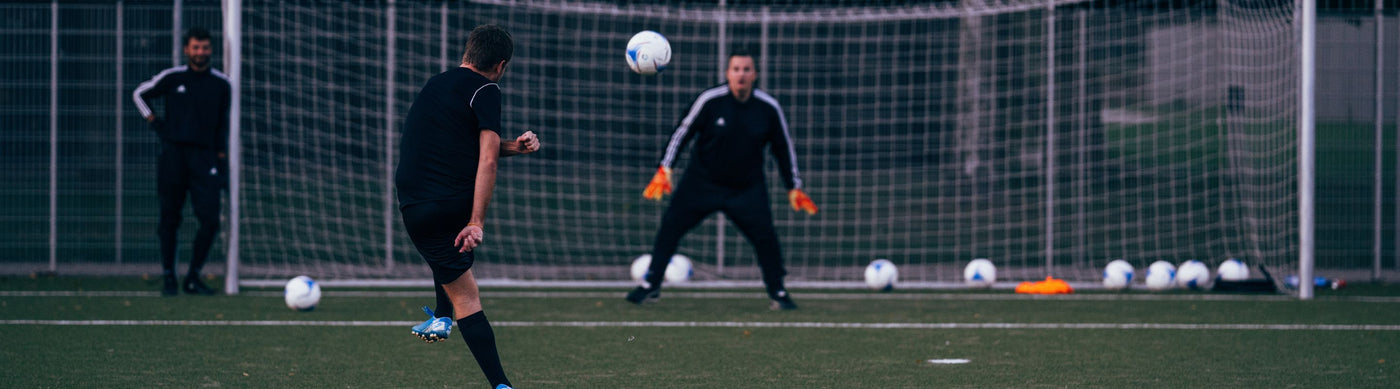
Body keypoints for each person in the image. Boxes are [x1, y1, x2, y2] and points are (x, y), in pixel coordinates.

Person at [395, 24, 538, 389]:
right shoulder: (487, 88)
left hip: (413, 204)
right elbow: (486, 160)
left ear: (467, 52)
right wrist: (476, 221)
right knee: (467, 296)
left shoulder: (436, 84)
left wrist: (515, 147)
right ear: (501, 65)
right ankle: (501, 385)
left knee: (440, 250)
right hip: (452, 201)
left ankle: (441, 317)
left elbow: (462, 141)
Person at [627, 48, 818, 310]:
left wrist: (794, 187)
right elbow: (682, 132)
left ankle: (778, 291)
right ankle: (651, 285)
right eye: (736, 69)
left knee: (766, 238)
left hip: (747, 188)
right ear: (728, 73)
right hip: (701, 183)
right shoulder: (710, 100)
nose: (741, 74)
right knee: (670, 227)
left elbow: (783, 148)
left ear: (755, 75)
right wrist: (665, 168)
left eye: (746, 69)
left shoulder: (768, 108)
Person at [133, 27, 231, 296]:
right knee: (169, 218)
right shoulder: (172, 78)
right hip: (173, 156)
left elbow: (223, 126)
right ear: (187, 50)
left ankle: (193, 277)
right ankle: (168, 277)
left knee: (210, 220)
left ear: (211, 49)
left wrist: (221, 162)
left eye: (205, 47)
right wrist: (156, 123)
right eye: (196, 48)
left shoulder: (221, 84)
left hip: (204, 158)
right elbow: (139, 94)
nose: (201, 52)